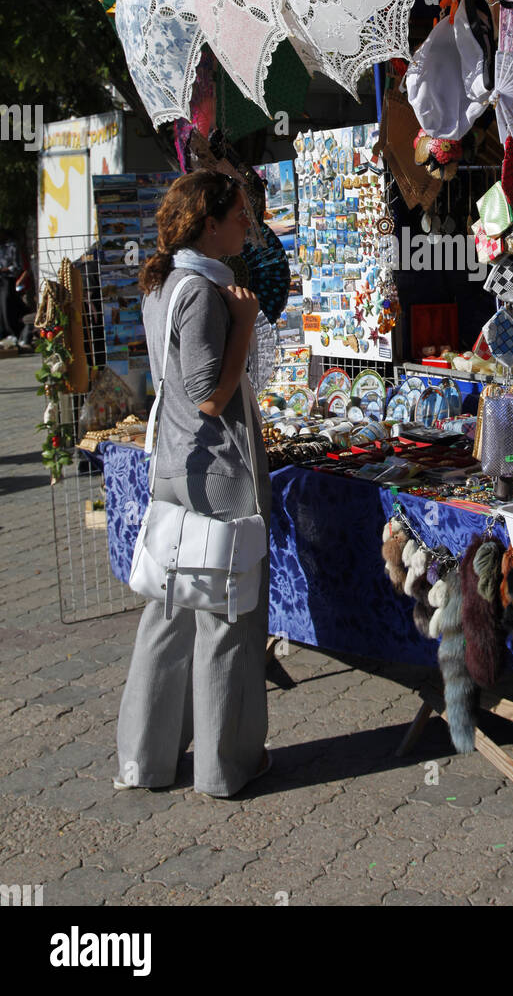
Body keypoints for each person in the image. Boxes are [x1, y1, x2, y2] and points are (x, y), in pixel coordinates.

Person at [115, 170, 272, 797]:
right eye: (239, 214)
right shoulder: (206, 293)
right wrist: (245, 326)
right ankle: (223, 766)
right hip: (217, 475)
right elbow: (210, 394)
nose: (248, 225)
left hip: (177, 468)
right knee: (226, 618)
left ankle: (144, 760)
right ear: (209, 222)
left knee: (171, 608)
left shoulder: (164, 284)